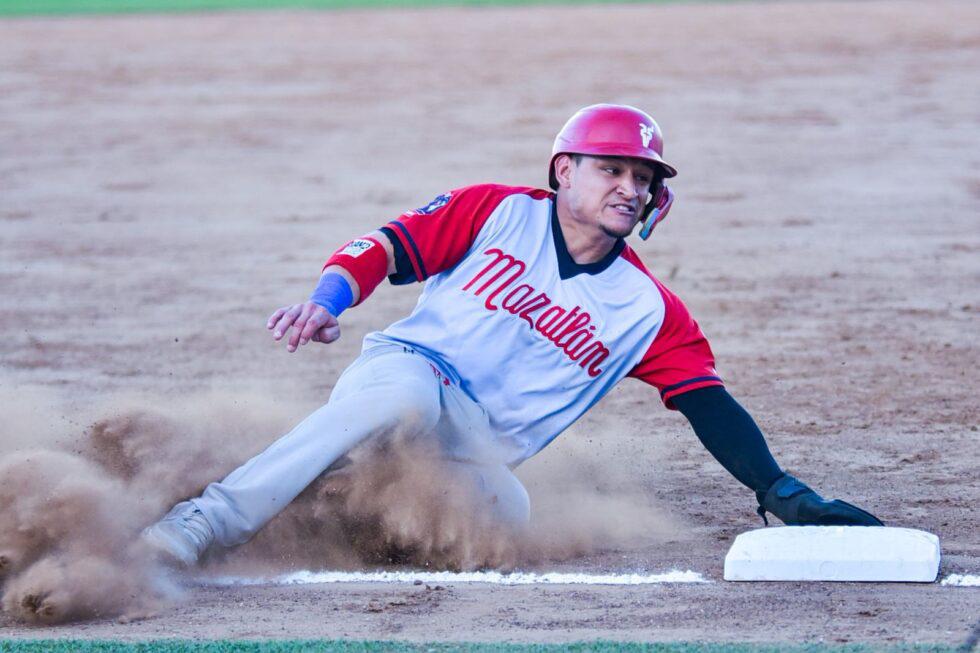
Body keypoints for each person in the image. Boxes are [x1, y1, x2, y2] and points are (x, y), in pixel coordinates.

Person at [143, 104, 882, 566]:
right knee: (391, 401)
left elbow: (708, 403)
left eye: (644, 178)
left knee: (506, 519)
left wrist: (777, 488)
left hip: (473, 449)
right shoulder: (497, 211)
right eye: (612, 168)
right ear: (565, 169)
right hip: (410, 373)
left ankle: (319, 509)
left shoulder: (648, 310)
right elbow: (384, 247)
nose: (631, 187)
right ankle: (201, 522)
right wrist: (326, 299)